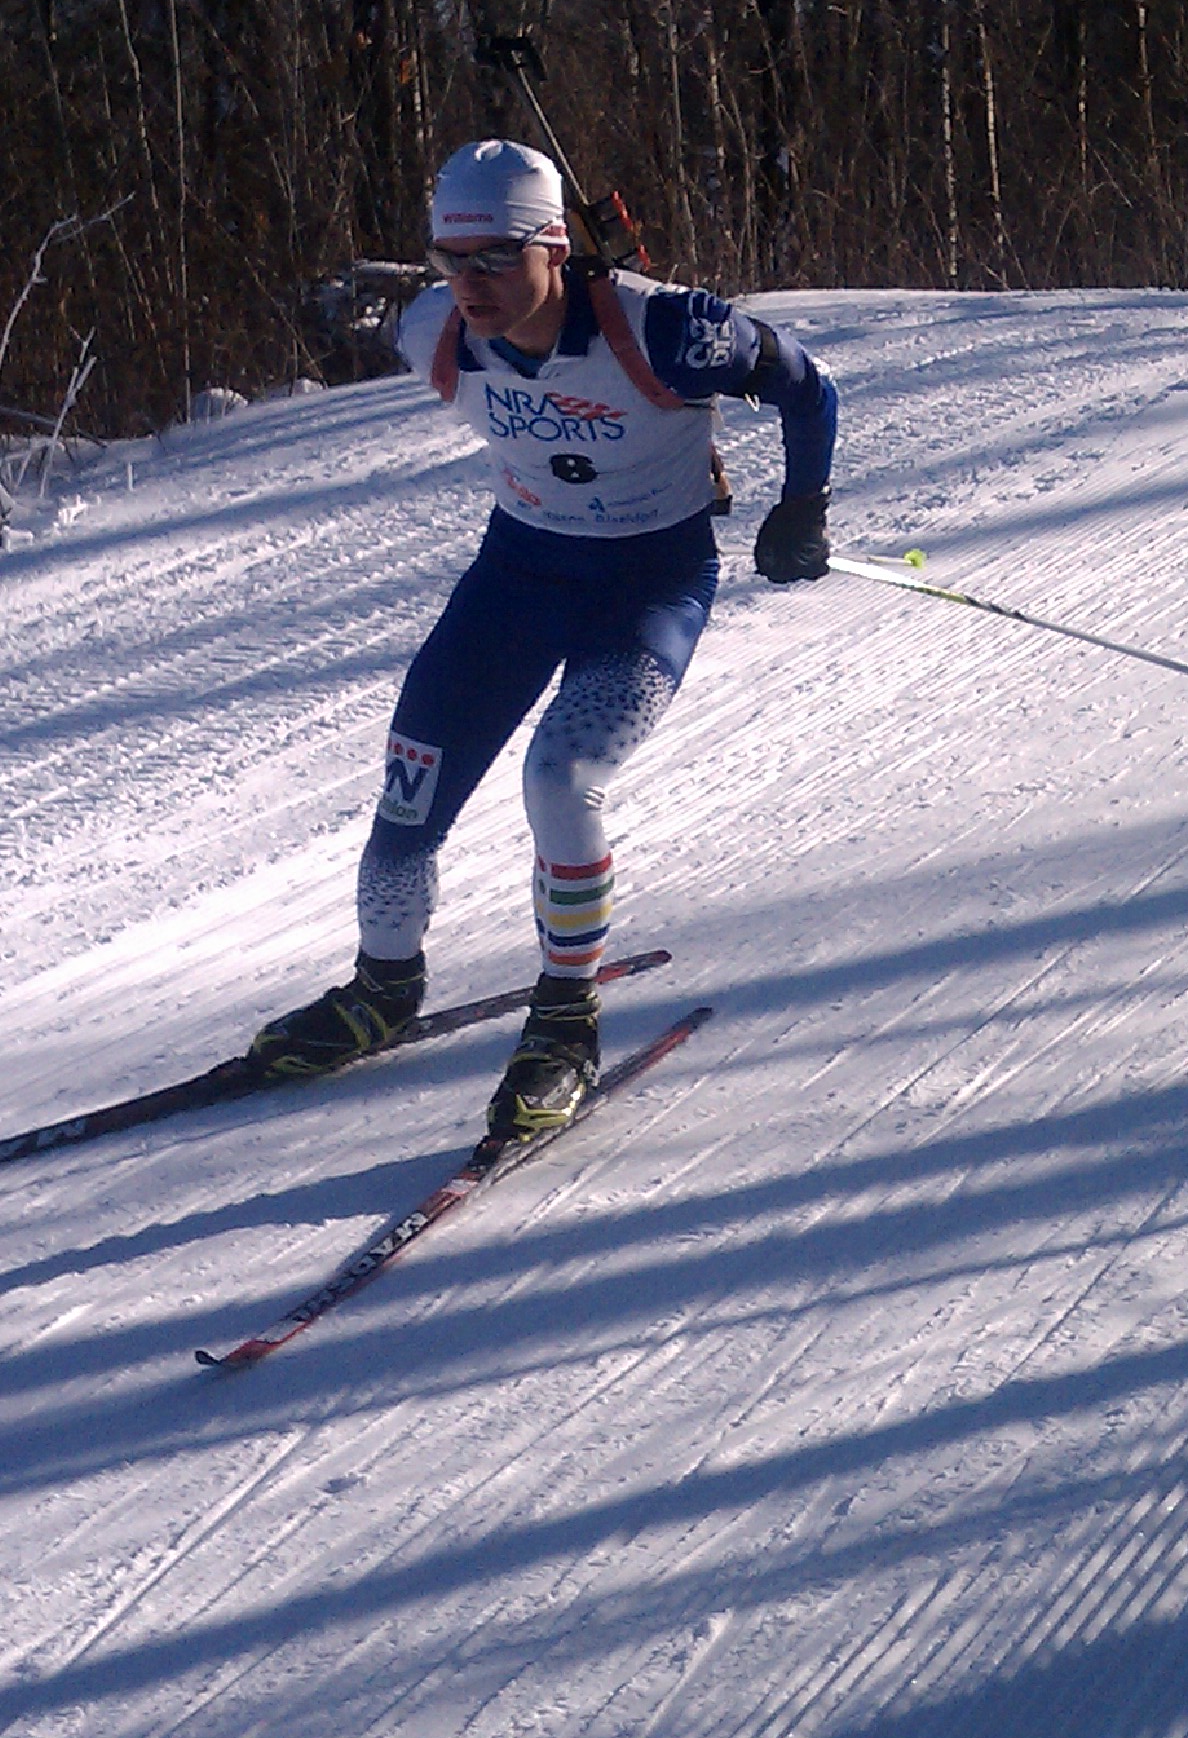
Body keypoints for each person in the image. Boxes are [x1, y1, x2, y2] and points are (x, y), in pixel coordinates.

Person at [249, 139, 836, 1141]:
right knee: (410, 789)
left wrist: (803, 506)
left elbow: (808, 388)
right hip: (516, 580)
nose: (468, 282)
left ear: (555, 246)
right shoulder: (433, 332)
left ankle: (565, 1018)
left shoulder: (669, 330)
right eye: (449, 258)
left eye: (493, 256)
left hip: (646, 586)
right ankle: (383, 987)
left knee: (561, 781)